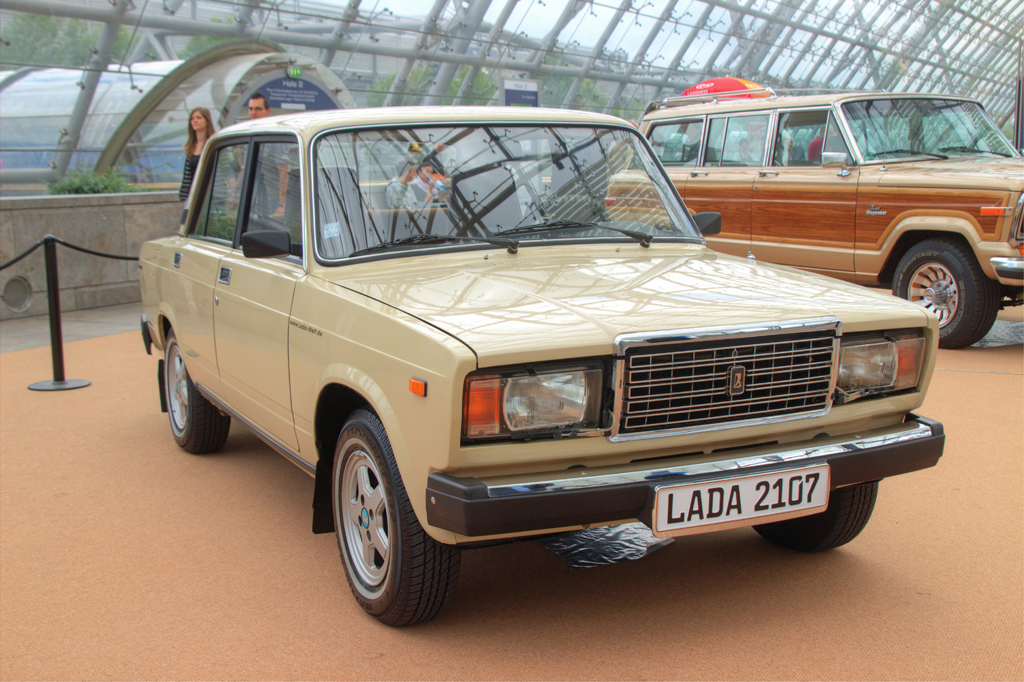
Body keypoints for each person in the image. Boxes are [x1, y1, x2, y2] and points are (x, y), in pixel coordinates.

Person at [178, 107, 214, 203]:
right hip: (193, 197)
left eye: (199, 118)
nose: (194, 121)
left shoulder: (213, 144)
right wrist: (184, 197)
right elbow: (187, 176)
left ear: (207, 121)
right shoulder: (190, 146)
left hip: (210, 196)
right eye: (192, 118)